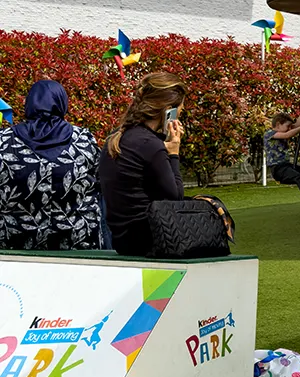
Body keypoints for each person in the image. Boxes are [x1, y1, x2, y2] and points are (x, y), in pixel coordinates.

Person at [0, 80, 101, 250]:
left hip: (13, 246)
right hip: (76, 246)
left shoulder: (3, 141)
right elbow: (99, 183)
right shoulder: (84, 140)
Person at [99, 72, 188, 257]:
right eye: (180, 109)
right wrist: (173, 153)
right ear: (168, 111)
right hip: (149, 240)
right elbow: (175, 198)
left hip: (121, 240)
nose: (181, 113)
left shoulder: (117, 137)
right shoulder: (150, 145)